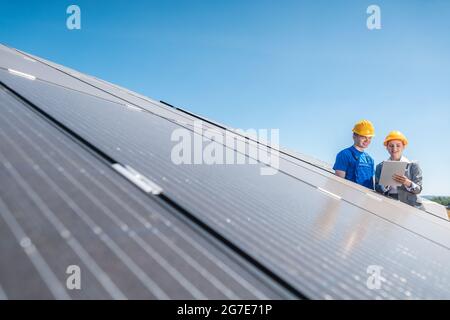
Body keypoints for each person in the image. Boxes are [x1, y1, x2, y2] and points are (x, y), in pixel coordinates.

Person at [375, 131, 424, 209]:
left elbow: (418, 190)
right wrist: (385, 185)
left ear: (403, 147)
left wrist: (407, 183)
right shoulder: (380, 167)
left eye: (398, 145)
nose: (394, 149)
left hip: (410, 206)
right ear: (386, 147)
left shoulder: (413, 165)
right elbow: (377, 189)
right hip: (389, 204)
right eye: (391, 146)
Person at [333, 120, 375, 190]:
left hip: (366, 198)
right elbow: (339, 183)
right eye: (363, 137)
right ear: (354, 136)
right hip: (349, 196)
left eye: (370, 137)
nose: (367, 140)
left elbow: (372, 183)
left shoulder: (370, 159)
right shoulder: (344, 154)